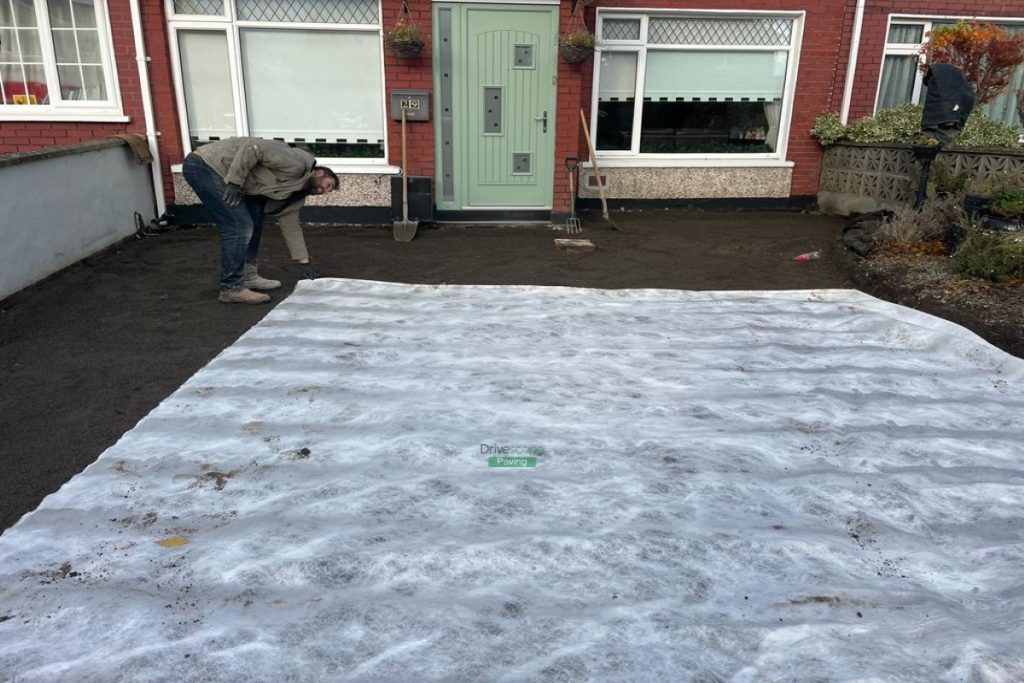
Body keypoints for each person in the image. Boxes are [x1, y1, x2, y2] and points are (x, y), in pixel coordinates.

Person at [182, 137, 339, 304]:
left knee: (255, 218)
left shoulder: (295, 194)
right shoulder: (296, 163)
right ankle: (231, 288)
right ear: (319, 172)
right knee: (239, 225)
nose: (323, 191)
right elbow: (253, 147)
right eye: (327, 185)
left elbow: (291, 227)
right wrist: (235, 182)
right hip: (206, 165)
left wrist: (304, 262)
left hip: (226, 176)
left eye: (327, 192)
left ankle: (248, 275)